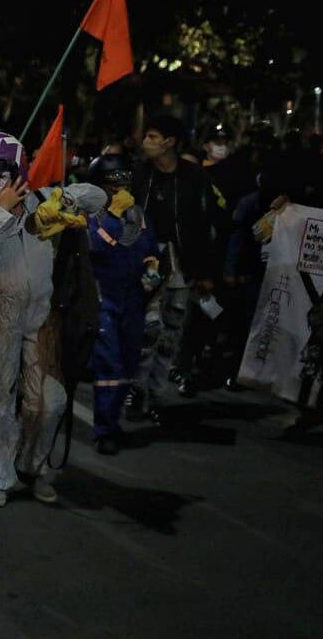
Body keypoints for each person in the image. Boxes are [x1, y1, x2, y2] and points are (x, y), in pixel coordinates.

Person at [0, 132, 104, 506]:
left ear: (16, 170)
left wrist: (63, 200)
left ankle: (32, 466)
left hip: (41, 316)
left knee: (50, 401)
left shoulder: (42, 202)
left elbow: (98, 198)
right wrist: (3, 211)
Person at [129, 115, 225, 411]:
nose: (146, 142)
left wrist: (205, 271)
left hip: (182, 264)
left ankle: (155, 393)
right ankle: (137, 389)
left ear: (169, 142)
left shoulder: (195, 177)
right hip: (145, 261)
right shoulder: (139, 173)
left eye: (153, 136)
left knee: (171, 332)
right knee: (147, 328)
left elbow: (209, 224)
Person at [84, 153, 159, 455]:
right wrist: (113, 216)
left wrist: (152, 266)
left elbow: (148, 245)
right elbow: (96, 247)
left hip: (134, 299)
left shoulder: (137, 214)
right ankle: (105, 430)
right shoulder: (90, 216)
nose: (120, 189)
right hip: (106, 298)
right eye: (113, 184)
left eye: (124, 182)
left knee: (129, 364)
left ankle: (114, 422)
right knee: (110, 366)